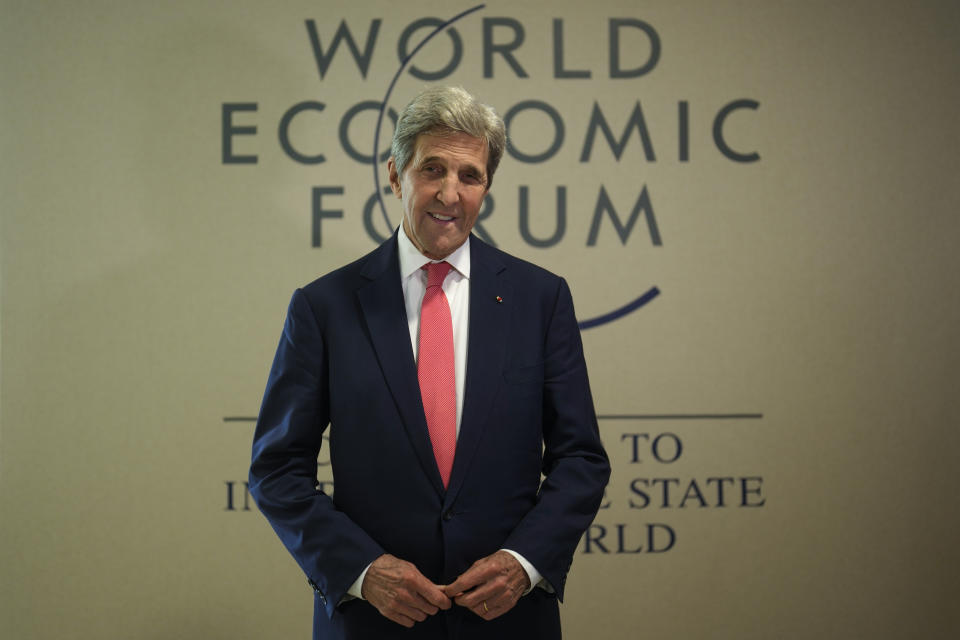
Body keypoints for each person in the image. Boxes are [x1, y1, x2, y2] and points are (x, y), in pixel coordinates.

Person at [249, 85, 610, 640]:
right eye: (431, 169)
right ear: (395, 174)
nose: (449, 192)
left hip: (510, 621)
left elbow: (581, 458)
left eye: (470, 176)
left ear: (487, 186)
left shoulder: (541, 300)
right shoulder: (325, 307)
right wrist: (362, 571)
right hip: (372, 621)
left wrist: (524, 563)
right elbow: (276, 469)